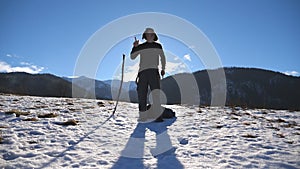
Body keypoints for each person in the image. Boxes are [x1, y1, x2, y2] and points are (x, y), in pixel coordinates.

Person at [130, 28, 166, 122]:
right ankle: (143, 116)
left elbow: (163, 58)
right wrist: (135, 47)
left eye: (151, 34)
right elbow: (132, 57)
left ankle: (158, 117)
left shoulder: (158, 46)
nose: (149, 36)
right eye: (148, 34)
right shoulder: (141, 46)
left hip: (154, 72)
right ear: (145, 36)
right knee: (142, 94)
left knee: (156, 94)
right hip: (142, 73)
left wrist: (163, 69)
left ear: (154, 36)